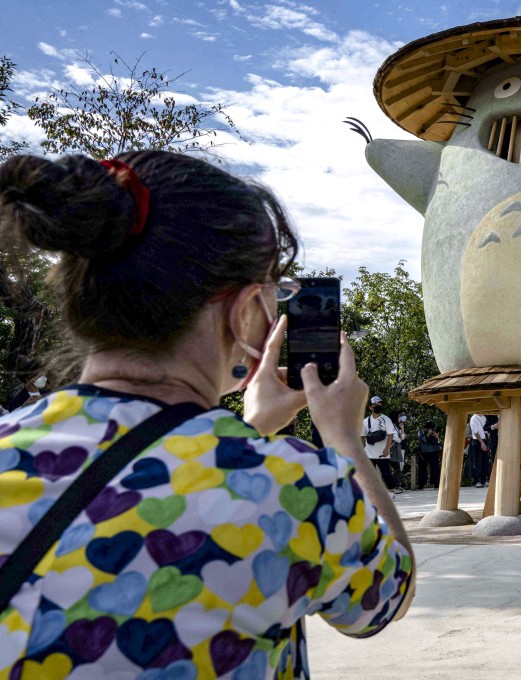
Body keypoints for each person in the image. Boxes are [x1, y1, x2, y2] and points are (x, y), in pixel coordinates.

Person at [0, 151, 414, 677]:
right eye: (275, 294)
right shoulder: (294, 487)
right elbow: (386, 596)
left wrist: (251, 429)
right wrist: (343, 439)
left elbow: (138, 479)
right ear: (244, 311)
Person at [362, 396, 399, 494]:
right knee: (369, 474)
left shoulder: (386, 419)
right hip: (369, 452)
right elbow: (362, 436)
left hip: (383, 453)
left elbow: (390, 435)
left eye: (380, 404)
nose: (378, 406)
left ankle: (391, 491)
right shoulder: (365, 421)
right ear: (370, 407)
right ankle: (371, 494)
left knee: (386, 473)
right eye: (375, 405)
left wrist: (387, 449)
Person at [416, 420, 443, 489]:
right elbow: (422, 440)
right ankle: (421, 484)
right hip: (423, 452)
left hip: (433, 452)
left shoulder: (434, 432)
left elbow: (438, 443)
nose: (431, 429)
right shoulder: (421, 432)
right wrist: (428, 434)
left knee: (435, 468)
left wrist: (437, 437)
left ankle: (436, 484)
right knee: (422, 468)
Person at [468, 412, 488, 487]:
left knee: (484, 461)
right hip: (477, 441)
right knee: (477, 461)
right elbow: (475, 431)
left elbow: (486, 429)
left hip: (485, 440)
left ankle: (483, 480)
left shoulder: (484, 417)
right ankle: (476, 481)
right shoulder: (473, 418)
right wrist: (481, 442)